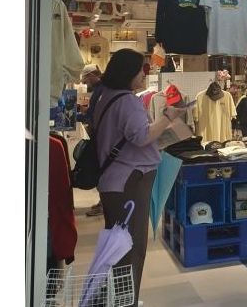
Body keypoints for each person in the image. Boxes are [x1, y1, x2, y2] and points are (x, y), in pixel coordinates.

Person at [93, 48, 186, 307]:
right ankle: (126, 301)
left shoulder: (106, 96)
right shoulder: (127, 101)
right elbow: (142, 136)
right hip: (129, 182)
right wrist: (167, 117)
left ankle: (120, 297)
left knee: (118, 245)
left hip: (116, 181)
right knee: (131, 247)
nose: (144, 75)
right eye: (140, 70)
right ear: (128, 72)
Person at [77, 65, 106, 216]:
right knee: (101, 169)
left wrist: (78, 116)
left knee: (100, 169)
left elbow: (93, 114)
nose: (85, 82)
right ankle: (103, 202)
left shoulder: (100, 90)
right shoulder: (101, 89)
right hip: (100, 135)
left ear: (92, 75)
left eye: (86, 78)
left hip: (99, 136)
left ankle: (104, 204)